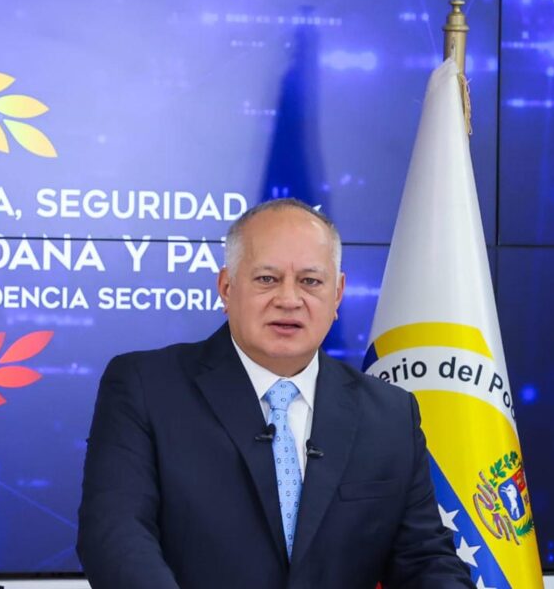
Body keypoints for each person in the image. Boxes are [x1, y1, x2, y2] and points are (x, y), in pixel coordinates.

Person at [76, 198, 475, 588]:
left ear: (337, 295)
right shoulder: (146, 386)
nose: (288, 299)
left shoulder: (389, 414)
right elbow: (115, 536)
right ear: (226, 287)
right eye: (267, 279)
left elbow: (424, 557)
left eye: (310, 281)